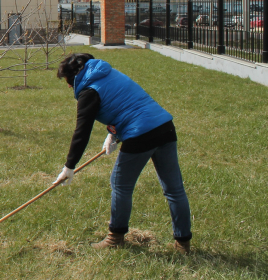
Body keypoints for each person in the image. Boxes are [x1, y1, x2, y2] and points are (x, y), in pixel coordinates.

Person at [53, 53, 191, 253]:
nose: (68, 87)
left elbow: (81, 133)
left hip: (141, 134)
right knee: (174, 190)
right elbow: (124, 104)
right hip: (164, 127)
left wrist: (69, 166)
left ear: (75, 75)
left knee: (120, 184)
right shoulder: (109, 74)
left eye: (67, 81)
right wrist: (113, 134)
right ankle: (183, 243)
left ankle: (114, 238)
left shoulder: (88, 92)